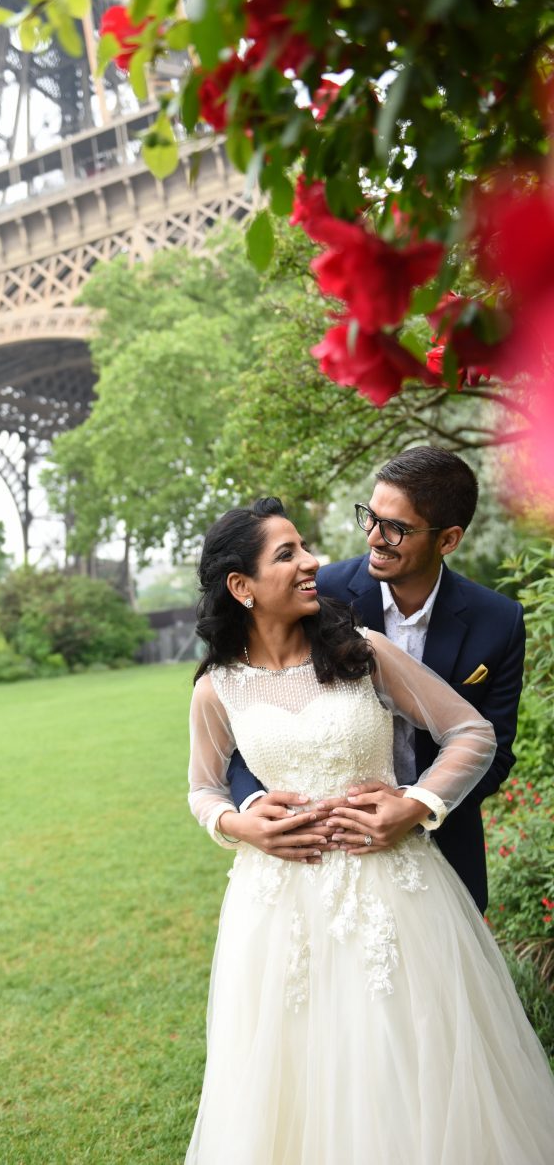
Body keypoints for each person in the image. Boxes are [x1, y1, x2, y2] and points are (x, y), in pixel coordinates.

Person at [186, 497, 553, 1164]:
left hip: (395, 896)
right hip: (278, 911)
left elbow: (470, 733)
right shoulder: (217, 689)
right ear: (241, 587)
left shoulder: (364, 652)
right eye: (287, 553)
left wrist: (414, 803)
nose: (313, 562)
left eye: (306, 547)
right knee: (292, 1075)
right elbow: (203, 787)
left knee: (402, 1059)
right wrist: (242, 823)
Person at [226, 447, 524, 911]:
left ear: (448, 540)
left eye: (396, 529)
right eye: (371, 517)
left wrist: (415, 805)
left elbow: (496, 749)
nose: (374, 537)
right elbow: (246, 703)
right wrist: (248, 807)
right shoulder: (315, 593)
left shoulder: (498, 621)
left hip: (444, 849)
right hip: (317, 858)